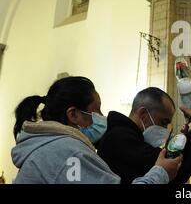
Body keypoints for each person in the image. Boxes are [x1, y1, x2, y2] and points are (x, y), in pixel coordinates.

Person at [11, 76, 181, 184]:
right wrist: (161, 173)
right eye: (97, 109)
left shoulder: (47, 147)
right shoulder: (68, 152)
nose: (102, 116)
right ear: (74, 114)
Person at [97, 87, 191, 184]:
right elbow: (174, 170)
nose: (165, 129)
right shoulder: (119, 138)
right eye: (163, 122)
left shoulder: (129, 137)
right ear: (143, 114)